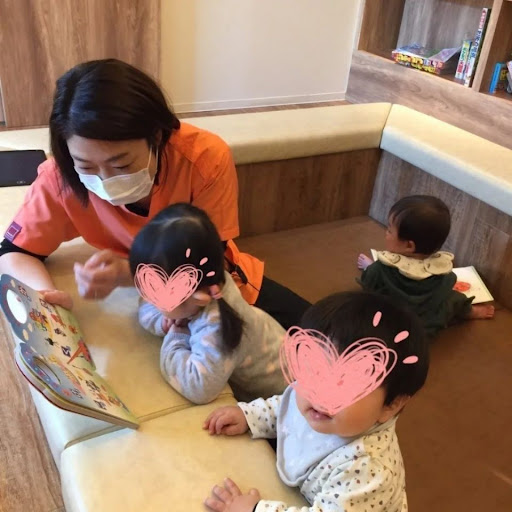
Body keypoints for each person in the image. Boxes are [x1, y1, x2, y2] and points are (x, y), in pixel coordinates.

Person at [0, 58, 310, 329]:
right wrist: (47, 297)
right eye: (86, 166)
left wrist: (129, 274)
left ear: (157, 136)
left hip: (212, 281)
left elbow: (208, 265)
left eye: (121, 164)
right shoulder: (61, 177)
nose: (106, 180)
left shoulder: (204, 159)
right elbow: (15, 251)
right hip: (162, 302)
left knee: (323, 333)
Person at [203, 291, 429, 512]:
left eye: (347, 384)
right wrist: (250, 416)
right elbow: (287, 406)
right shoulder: (319, 403)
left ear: (392, 405)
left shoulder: (367, 470)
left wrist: (255, 509)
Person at [130, 203, 287, 404]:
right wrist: (162, 321)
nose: (148, 298)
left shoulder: (217, 328)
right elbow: (144, 305)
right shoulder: (210, 283)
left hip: (284, 397)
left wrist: (176, 337)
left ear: (198, 297)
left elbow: (198, 387)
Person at [357, 195, 494, 339]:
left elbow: (368, 284)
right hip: (423, 331)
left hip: (387, 326)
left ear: (409, 246)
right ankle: (471, 311)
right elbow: (449, 286)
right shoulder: (443, 275)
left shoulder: (379, 269)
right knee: (454, 299)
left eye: (390, 230)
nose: (386, 233)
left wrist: (370, 268)